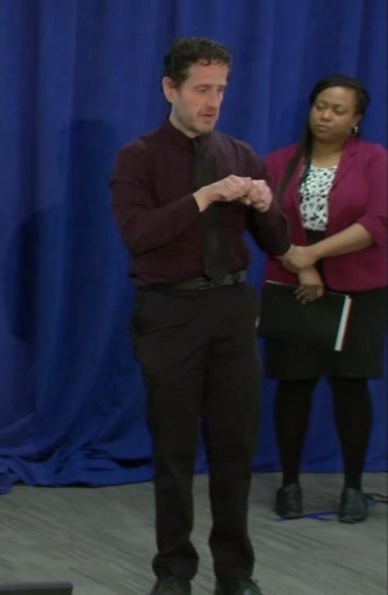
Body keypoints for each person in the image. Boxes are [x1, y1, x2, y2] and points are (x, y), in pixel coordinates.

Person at [109, 37, 293, 595]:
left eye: (219, 90)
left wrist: (265, 206)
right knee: (174, 450)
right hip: (170, 312)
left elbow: (279, 243)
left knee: (235, 448)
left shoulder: (241, 154)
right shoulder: (137, 158)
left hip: (233, 309)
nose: (211, 102)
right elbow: (138, 236)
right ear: (171, 88)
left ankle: (237, 575)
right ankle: (173, 571)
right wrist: (204, 196)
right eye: (201, 90)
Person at [263, 75, 387, 524]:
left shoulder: (375, 160)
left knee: (351, 386)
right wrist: (303, 265)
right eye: (320, 106)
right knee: (294, 385)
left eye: (338, 110)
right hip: (294, 284)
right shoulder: (279, 162)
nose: (326, 116)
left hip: (360, 289)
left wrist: (313, 254)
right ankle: (289, 485)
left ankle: (353, 487)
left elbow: (379, 221)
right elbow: (266, 221)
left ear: (356, 120)